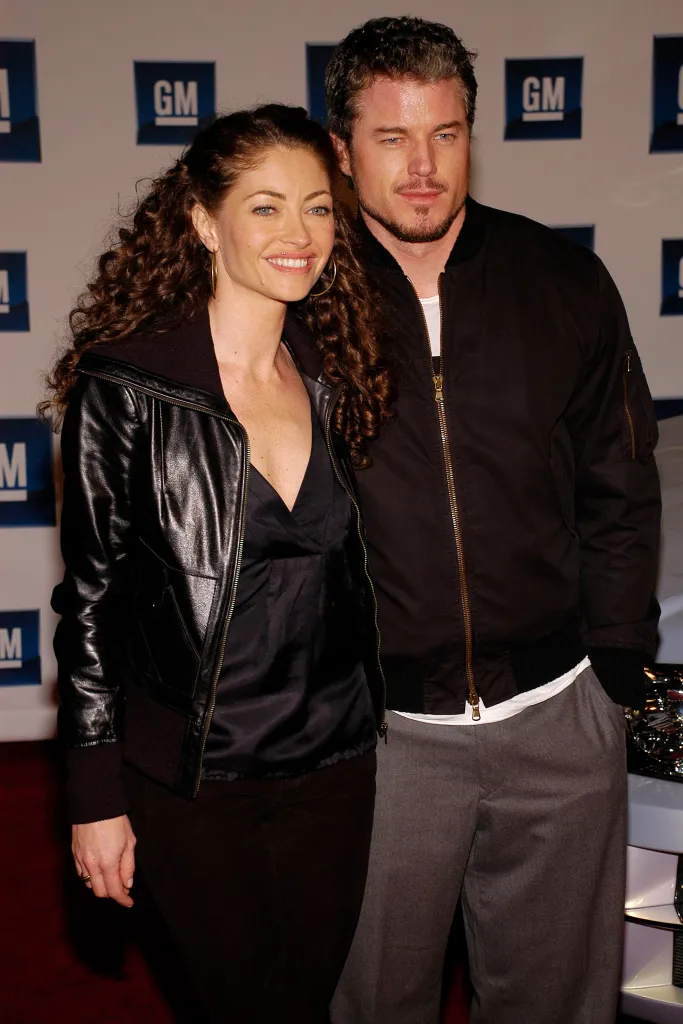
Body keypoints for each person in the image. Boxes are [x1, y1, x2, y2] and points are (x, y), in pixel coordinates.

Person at [325, 17, 662, 1024]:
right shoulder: (300, 300)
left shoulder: (560, 282)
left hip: (557, 720)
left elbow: (617, 479)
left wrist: (611, 662)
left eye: (445, 133)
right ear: (340, 151)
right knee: (370, 1004)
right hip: (377, 741)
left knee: (556, 1006)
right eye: (390, 138)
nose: (422, 167)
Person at [46, 104, 393, 1024]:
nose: (299, 235)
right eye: (266, 207)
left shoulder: (335, 368)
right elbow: (90, 604)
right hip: (197, 775)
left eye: (319, 209)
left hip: (334, 766)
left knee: (307, 1002)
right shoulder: (128, 386)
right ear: (204, 221)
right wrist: (93, 794)